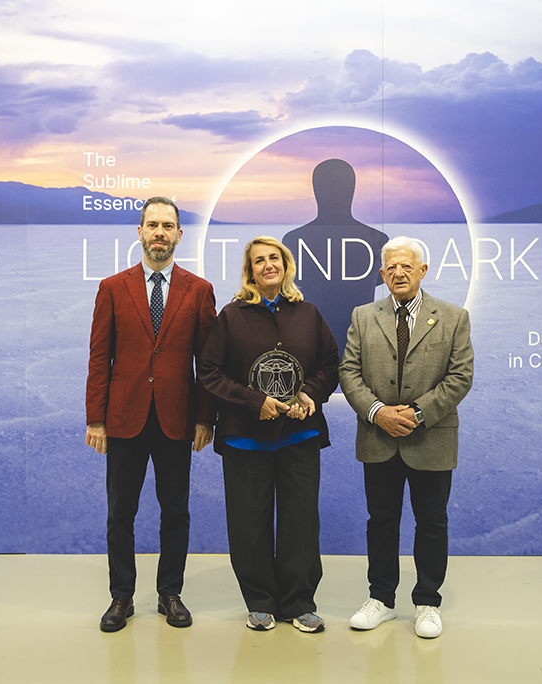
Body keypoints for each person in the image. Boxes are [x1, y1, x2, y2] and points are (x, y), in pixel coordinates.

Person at [85, 196, 216, 633]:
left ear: (179, 234)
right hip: (124, 418)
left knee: (175, 511)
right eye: (153, 225)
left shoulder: (199, 290)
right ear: (139, 232)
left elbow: (207, 363)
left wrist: (205, 418)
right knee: (120, 513)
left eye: (168, 226)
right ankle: (121, 596)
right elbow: (99, 358)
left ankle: (169, 593)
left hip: (177, 419)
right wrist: (96, 419)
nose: (160, 233)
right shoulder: (112, 288)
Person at [198, 236, 339, 633]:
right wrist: (252, 400)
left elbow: (330, 364)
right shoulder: (231, 316)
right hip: (245, 437)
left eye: (274, 258)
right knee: (249, 523)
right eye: (258, 261)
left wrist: (310, 393)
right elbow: (209, 372)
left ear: (286, 265)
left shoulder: (308, 314)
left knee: (300, 522)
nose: (267, 265)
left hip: (299, 435)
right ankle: (260, 601)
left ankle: (299, 603)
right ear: (250, 271)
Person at [338, 235, 473, 639]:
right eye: (391, 267)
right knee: (381, 522)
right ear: (382, 274)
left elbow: (460, 376)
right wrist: (378, 412)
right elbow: (349, 372)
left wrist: (416, 414)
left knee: (431, 522)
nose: (398, 273)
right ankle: (380, 598)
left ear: (422, 271)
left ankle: (428, 602)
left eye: (407, 266)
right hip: (378, 437)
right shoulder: (364, 315)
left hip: (431, 438)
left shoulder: (453, 317)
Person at [282, 158, 388, 360]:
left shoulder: (294, 240)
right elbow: (375, 281)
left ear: (315, 189)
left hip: (321, 346)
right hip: (347, 346)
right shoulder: (376, 240)